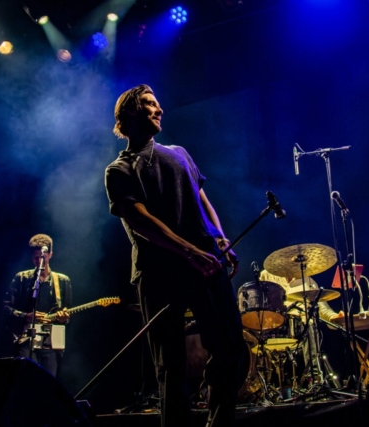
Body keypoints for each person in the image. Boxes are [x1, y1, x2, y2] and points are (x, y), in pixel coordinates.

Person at [104, 84, 245, 427]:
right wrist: (189, 251)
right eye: (151, 104)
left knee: (231, 350)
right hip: (159, 273)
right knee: (171, 366)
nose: (160, 109)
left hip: (205, 263)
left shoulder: (179, 152)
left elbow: (202, 199)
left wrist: (219, 237)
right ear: (130, 113)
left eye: (158, 103)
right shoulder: (119, 170)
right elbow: (141, 222)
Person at [3, 234, 71, 378]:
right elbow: (6, 308)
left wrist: (63, 318)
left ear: (50, 254)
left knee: (48, 384)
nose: (39, 260)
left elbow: (67, 315)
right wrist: (25, 316)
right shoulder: (21, 278)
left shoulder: (63, 281)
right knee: (26, 381)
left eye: (43, 256)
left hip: (51, 344)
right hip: (25, 342)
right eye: (35, 257)